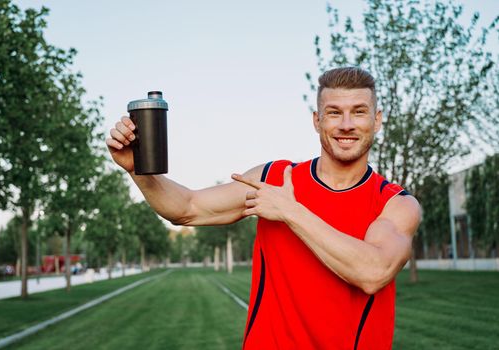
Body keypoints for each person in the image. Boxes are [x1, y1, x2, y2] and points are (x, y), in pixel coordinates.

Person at [106, 67, 421, 350]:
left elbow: (373, 272)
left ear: (376, 120)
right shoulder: (273, 180)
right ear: (317, 120)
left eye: (359, 112)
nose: (347, 125)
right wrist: (139, 171)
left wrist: (290, 210)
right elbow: (187, 208)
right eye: (334, 112)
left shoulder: (396, 203)